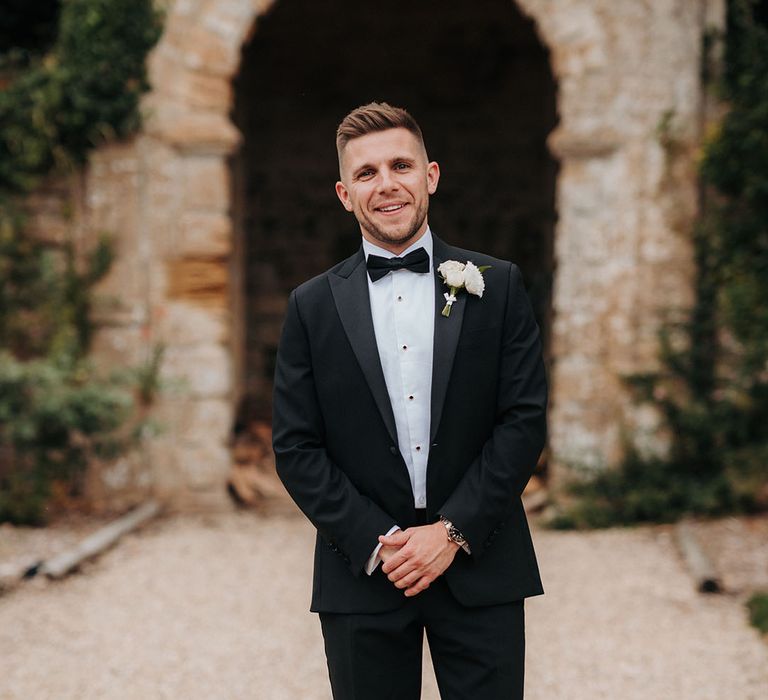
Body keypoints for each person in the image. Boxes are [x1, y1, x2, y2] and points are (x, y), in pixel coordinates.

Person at [272, 102, 548, 700]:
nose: (386, 184)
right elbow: (296, 447)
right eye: (367, 173)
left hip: (482, 562)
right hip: (364, 572)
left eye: (401, 165)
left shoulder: (496, 285)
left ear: (432, 176)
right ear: (345, 194)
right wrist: (379, 541)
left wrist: (450, 533)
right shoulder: (310, 307)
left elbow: (522, 421)